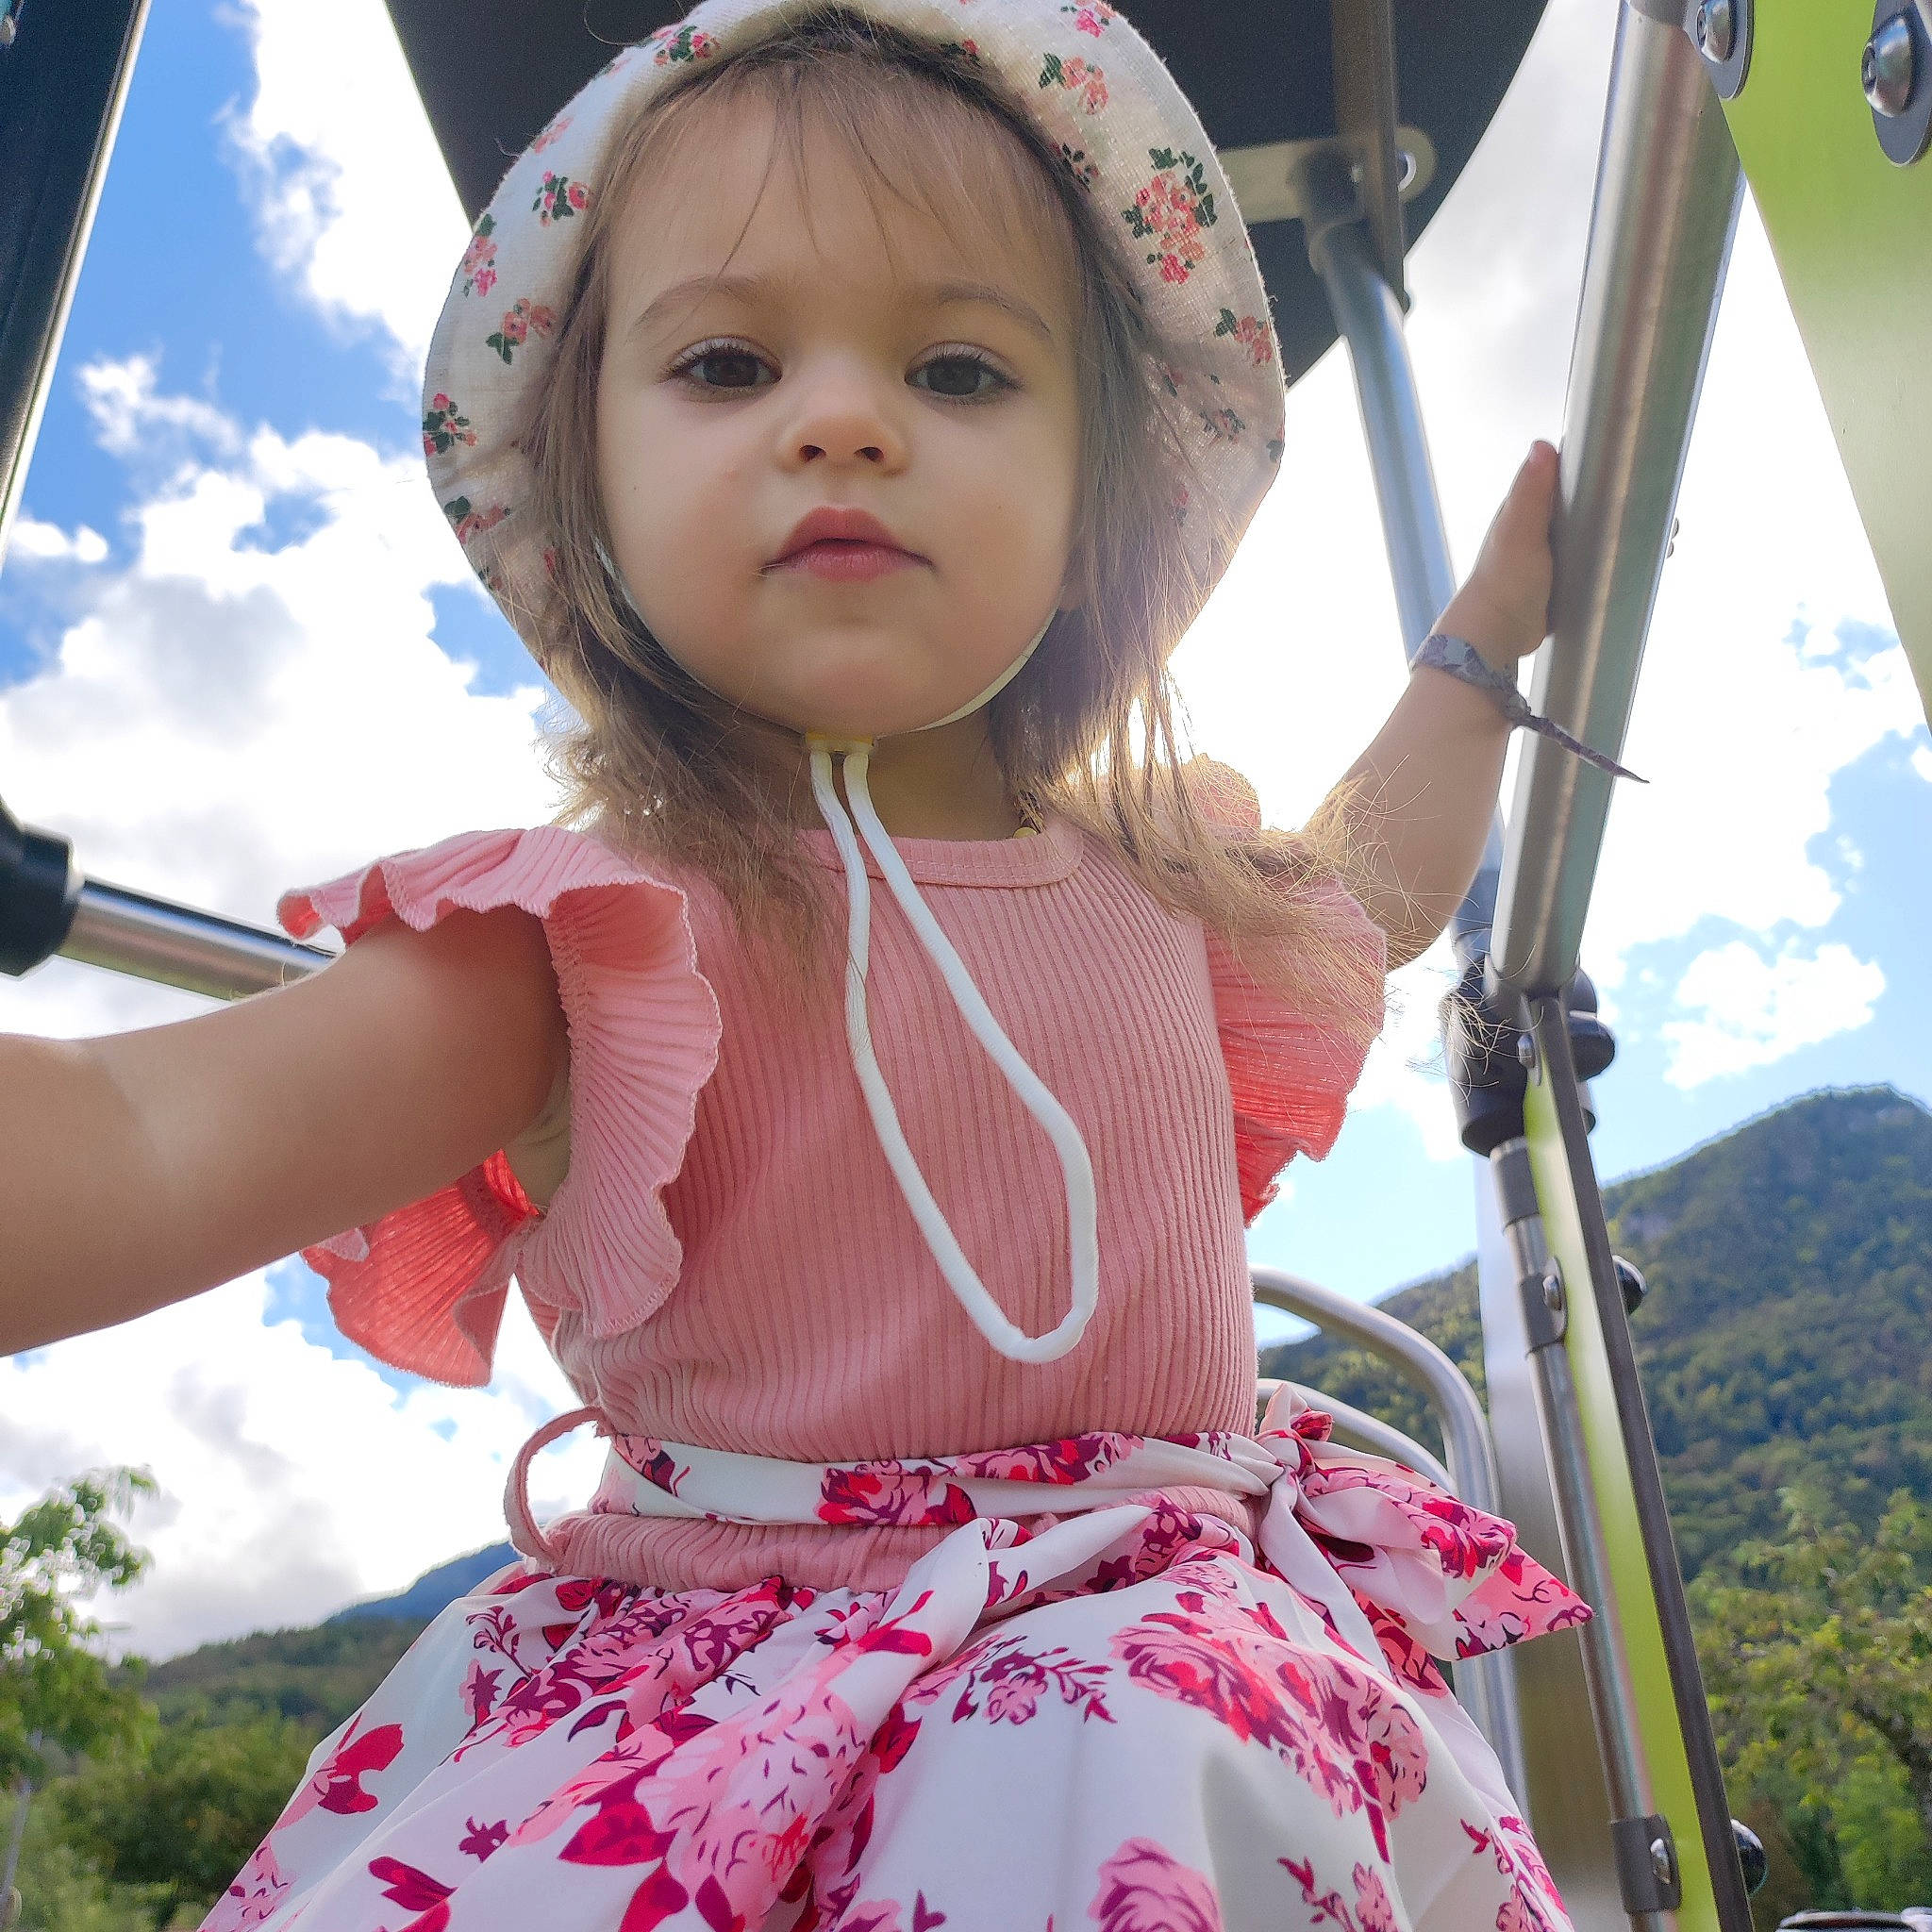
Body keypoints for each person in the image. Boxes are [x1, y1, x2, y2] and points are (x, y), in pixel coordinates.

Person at [0, 3, 1607, 1926]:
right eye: (726, 362)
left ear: (1099, 496)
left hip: (1160, 1661)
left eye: (956, 367)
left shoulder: (1168, 890)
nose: (841, 421)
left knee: (1135, 1718)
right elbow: (142, 1138)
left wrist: (1479, 651)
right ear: (588, 487)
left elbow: (1378, 879)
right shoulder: (586, 941)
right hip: (717, 1698)